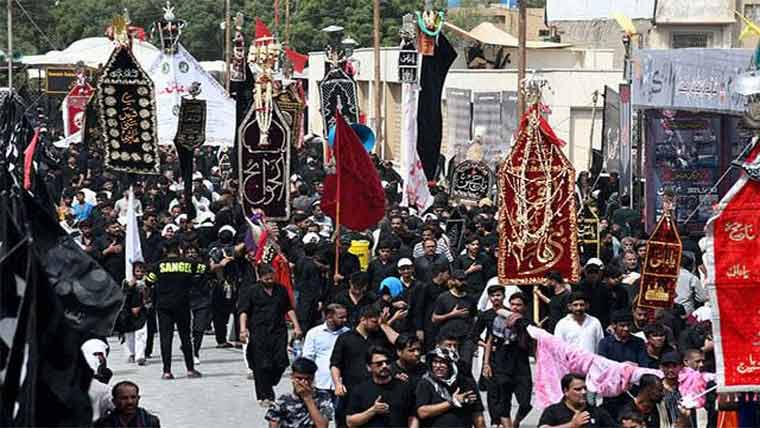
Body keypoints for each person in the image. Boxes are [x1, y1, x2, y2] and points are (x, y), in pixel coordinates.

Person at [239, 264, 304, 406]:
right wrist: (243, 330)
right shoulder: (251, 291)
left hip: (278, 331)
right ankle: (265, 396)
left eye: (272, 278)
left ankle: (270, 382)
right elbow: (244, 311)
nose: (270, 281)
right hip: (259, 332)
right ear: (260, 277)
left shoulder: (281, 290)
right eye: (266, 279)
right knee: (261, 365)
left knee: (281, 362)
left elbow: (288, 308)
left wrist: (296, 326)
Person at [145, 240, 205, 379]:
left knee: (166, 338)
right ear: (179, 249)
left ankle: (167, 371)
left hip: (163, 306)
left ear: (165, 250)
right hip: (182, 304)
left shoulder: (158, 266)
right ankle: (190, 369)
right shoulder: (188, 264)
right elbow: (203, 269)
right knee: (185, 337)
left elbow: (148, 281)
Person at [331, 305, 391, 428]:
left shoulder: (380, 337)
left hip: (375, 390)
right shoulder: (345, 338)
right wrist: (337, 384)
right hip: (350, 391)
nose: (377, 325)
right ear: (363, 320)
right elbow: (335, 364)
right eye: (374, 321)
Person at [480, 291, 533, 428]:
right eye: (512, 304)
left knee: (525, 403)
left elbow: (533, 344)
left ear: (525, 307)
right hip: (502, 365)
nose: (515, 307)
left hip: (521, 367)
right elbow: (490, 341)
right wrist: (486, 363)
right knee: (503, 402)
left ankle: (516, 423)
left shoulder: (528, 323)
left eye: (519, 305)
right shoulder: (499, 320)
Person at [345, 347, 417, 427]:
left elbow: (413, 417)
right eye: (379, 363)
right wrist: (373, 410)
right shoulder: (359, 390)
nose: (384, 366)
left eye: (387, 362)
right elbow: (350, 422)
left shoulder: (404, 387)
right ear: (369, 367)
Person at [415, 347, 486, 428]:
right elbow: (422, 412)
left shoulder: (465, 383)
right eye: (435, 362)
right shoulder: (426, 383)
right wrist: (452, 403)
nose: (438, 366)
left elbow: (477, 414)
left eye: (442, 362)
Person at [265, 358, 333, 428]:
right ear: (292, 377)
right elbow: (273, 424)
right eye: (299, 378)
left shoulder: (323, 397)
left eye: (308, 379)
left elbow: (323, 426)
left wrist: (307, 398)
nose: (303, 382)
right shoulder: (283, 401)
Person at [431, 269, 476, 373]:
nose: (463, 282)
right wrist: (452, 315)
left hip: (465, 339)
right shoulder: (443, 297)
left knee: (465, 367)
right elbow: (434, 318)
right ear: (453, 281)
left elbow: (473, 318)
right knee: (447, 365)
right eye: (460, 280)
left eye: (465, 280)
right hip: (447, 338)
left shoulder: (470, 299)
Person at [302, 304, 351, 396]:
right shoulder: (314, 333)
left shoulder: (349, 333)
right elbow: (308, 358)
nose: (345, 320)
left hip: (343, 383)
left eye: (345, 317)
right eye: (341, 317)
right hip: (321, 383)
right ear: (329, 317)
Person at [537, 373, 616, 428]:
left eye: (585, 388)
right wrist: (571, 425)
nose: (584, 392)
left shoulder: (597, 412)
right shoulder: (553, 411)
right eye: (578, 389)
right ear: (566, 391)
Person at [93, 381, 161, 428]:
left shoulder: (150, 421)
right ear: (114, 401)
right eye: (124, 398)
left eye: (133, 397)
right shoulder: (104, 424)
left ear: (138, 398)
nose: (130, 402)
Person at [120, 262, 149, 366]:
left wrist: (144, 295)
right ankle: (131, 353)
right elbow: (123, 296)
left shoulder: (146, 282)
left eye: (142, 271)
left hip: (141, 311)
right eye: (137, 271)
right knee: (129, 334)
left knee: (141, 333)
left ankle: (140, 356)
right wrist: (130, 287)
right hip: (128, 312)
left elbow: (148, 298)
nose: (139, 273)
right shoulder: (126, 282)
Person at [417, 263, 450, 350]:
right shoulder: (426, 287)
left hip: (443, 326)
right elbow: (419, 309)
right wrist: (419, 329)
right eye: (447, 273)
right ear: (440, 274)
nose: (448, 276)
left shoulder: (446, 288)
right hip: (429, 326)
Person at [452, 236, 490, 305]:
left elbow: (488, 274)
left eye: (477, 244)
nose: (476, 246)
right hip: (466, 290)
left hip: (481, 290)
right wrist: (469, 271)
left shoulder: (484, 258)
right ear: (467, 246)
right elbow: (456, 275)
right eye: (473, 244)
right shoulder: (460, 259)